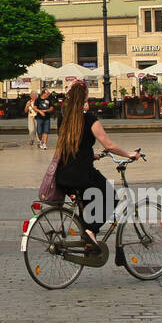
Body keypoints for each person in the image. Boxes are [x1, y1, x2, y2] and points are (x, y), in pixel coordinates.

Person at [48, 80, 140, 252]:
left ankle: (87, 237)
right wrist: (129, 154)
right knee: (111, 197)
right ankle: (90, 232)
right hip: (82, 175)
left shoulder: (63, 117)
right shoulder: (89, 119)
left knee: (91, 201)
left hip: (63, 175)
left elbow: (73, 145)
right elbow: (109, 145)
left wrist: (91, 155)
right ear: (85, 97)